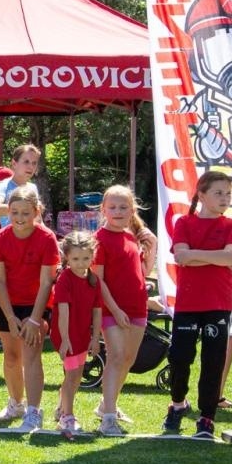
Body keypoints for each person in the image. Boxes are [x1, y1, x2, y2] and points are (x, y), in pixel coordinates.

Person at [163, 170, 232, 439]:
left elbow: (229, 257)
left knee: (213, 360)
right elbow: (181, 257)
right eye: (218, 193)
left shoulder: (231, 226)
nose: (225, 198)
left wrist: (195, 256)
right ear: (201, 195)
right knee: (179, 357)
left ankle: (207, 417)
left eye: (228, 193)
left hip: (219, 302)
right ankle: (177, 404)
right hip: (188, 302)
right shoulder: (184, 223)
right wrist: (218, 258)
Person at [0, 183, 60, 432]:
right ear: (8, 211)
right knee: (11, 357)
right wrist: (9, 316)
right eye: (15, 212)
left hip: (37, 304)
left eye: (26, 213)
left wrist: (35, 319)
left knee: (31, 356)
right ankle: (16, 404)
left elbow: (47, 282)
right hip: (10, 303)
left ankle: (33, 411)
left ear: (37, 211)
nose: (19, 218)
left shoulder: (46, 238)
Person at [93, 184, 157, 436]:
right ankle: (109, 418)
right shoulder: (99, 239)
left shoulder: (131, 237)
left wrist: (152, 248)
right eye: (113, 207)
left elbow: (143, 272)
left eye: (123, 207)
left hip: (137, 307)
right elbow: (98, 281)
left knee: (128, 359)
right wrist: (116, 309)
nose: (118, 211)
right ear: (103, 210)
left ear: (132, 210)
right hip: (111, 310)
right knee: (116, 357)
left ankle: (106, 406)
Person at [50, 231, 103, 438]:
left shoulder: (94, 280)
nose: (81, 264)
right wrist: (65, 340)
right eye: (75, 259)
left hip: (82, 334)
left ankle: (61, 407)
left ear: (93, 256)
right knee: (72, 375)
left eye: (85, 258)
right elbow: (63, 312)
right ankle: (67, 416)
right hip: (67, 334)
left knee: (77, 376)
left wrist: (95, 338)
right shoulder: (64, 279)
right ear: (67, 258)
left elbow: (97, 311)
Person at [0, 145, 42, 226]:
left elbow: (39, 220)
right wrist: (23, 207)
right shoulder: (4, 185)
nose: (31, 167)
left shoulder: (33, 188)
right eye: (26, 162)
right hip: (11, 233)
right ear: (14, 164)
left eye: (34, 163)